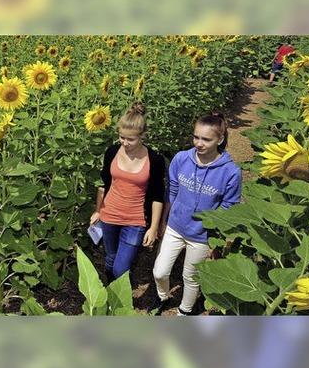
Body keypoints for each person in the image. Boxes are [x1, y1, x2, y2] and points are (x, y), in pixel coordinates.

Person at [152, 113, 241, 315]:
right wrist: (165, 220)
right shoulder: (181, 159)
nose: (199, 143)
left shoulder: (230, 171)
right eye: (196, 137)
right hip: (175, 226)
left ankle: (185, 310)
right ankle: (163, 297)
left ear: (220, 139)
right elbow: (172, 191)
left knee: (190, 277)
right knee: (160, 271)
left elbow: (229, 206)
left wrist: (215, 238)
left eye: (206, 139)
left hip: (202, 234)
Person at [90, 103, 166, 283]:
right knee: (109, 260)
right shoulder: (112, 152)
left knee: (121, 267)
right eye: (121, 137)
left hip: (135, 220)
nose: (124, 143)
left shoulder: (154, 160)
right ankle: (113, 296)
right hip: (109, 215)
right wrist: (98, 210)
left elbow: (157, 196)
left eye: (130, 139)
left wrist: (153, 227)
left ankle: (122, 289)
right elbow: (104, 185)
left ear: (142, 136)